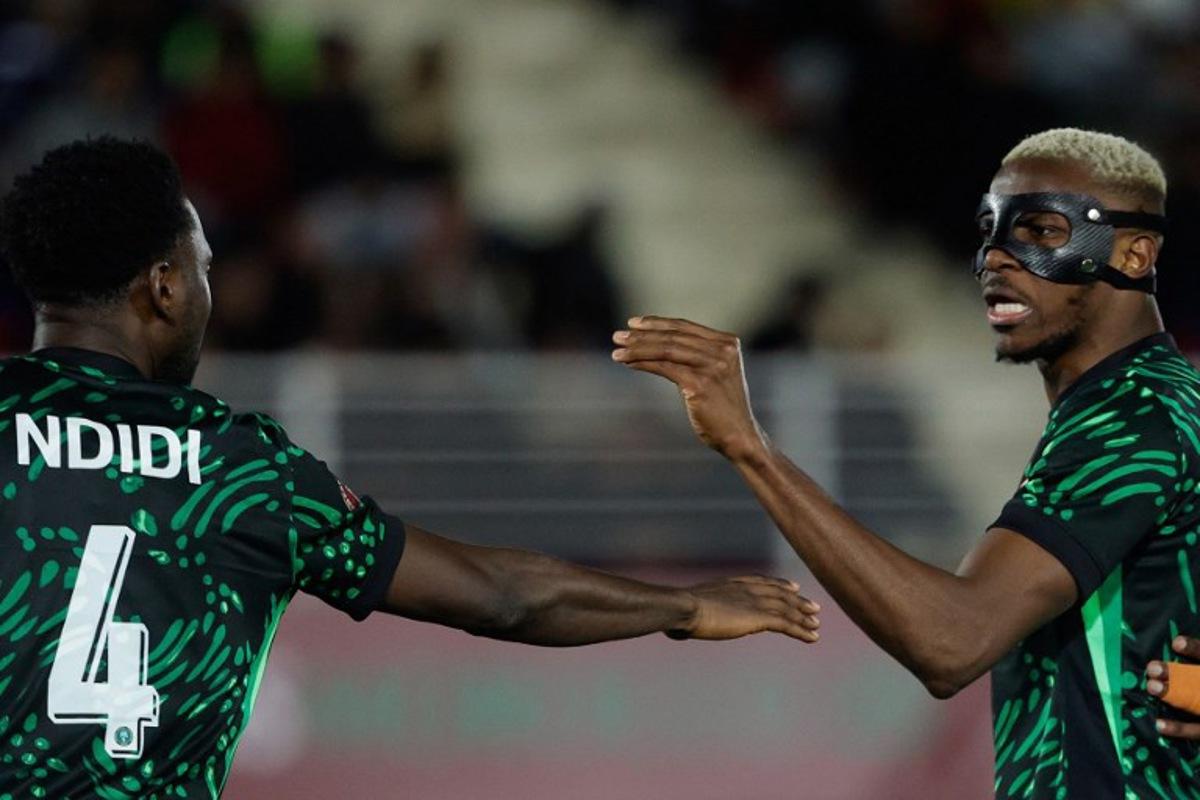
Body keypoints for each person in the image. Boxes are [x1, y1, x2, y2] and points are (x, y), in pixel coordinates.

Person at [0, 137, 820, 799]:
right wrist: (685, 604)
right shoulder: (243, 470)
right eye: (204, 267)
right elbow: (500, 597)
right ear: (165, 287)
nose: (209, 288)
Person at [614, 127, 1198, 798]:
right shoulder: (1160, 403)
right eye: (991, 229)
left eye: (1041, 230)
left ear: (1134, 251)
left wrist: (750, 446)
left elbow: (952, 640)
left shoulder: (1132, 417)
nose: (996, 259)